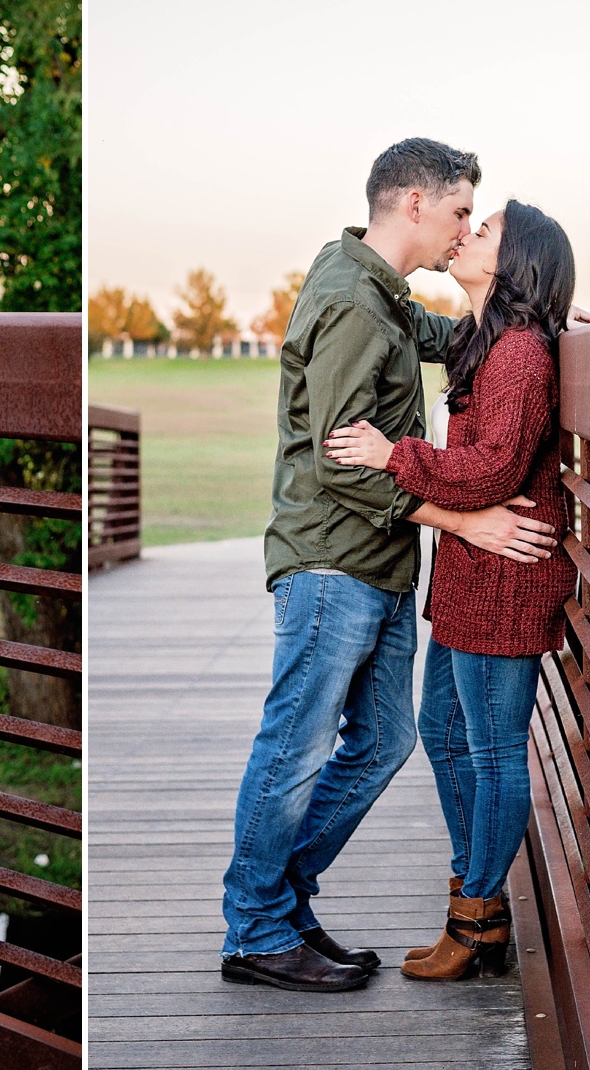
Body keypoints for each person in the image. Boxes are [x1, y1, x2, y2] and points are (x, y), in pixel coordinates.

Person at [218, 139, 565, 992]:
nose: (461, 232)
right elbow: (343, 462)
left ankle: (280, 905)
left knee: (384, 742)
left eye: (476, 225)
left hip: (379, 564)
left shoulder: (375, 287)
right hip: (332, 564)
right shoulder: (349, 300)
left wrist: (544, 319)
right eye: (458, 214)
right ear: (415, 204)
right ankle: (259, 930)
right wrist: (468, 523)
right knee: (296, 749)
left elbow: (457, 337)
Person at [325, 199, 580, 980]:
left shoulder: (521, 355)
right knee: (441, 731)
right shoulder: (486, 342)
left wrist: (391, 454)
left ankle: (472, 923)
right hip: (471, 576)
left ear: (518, 261)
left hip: (508, 577)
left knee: (494, 752)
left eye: (487, 228)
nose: (468, 233)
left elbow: (497, 469)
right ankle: (482, 907)